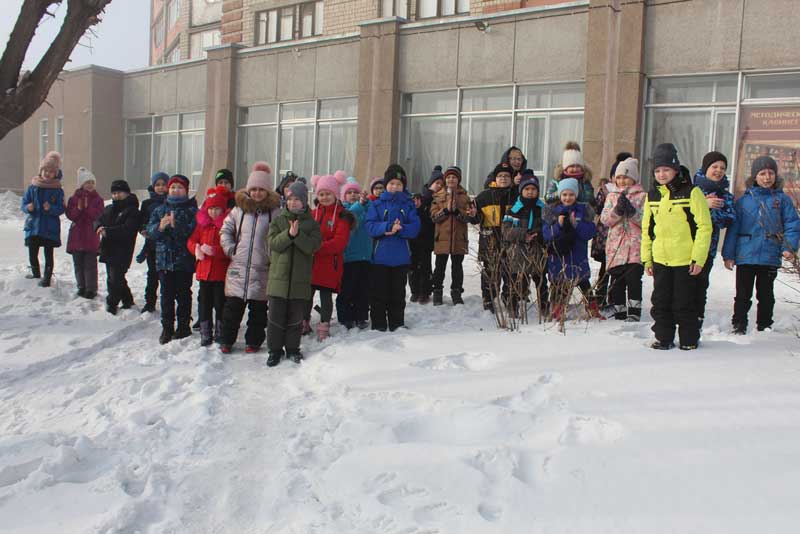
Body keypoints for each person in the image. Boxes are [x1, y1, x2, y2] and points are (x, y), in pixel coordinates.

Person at [641, 143, 712, 350]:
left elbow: (704, 227)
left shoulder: (692, 192)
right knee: (661, 302)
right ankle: (664, 338)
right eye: (657, 170)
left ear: (675, 169)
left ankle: (689, 340)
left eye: (666, 169)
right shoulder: (652, 195)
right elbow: (648, 230)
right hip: (661, 260)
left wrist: (698, 259)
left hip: (686, 261)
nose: (662, 174)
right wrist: (647, 258)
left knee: (684, 303)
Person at [722, 156, 800, 334]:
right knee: (743, 294)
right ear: (754, 177)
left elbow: (793, 225)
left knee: (766, 294)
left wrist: (788, 247)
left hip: (769, 255)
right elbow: (733, 230)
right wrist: (729, 255)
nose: (767, 177)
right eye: (762, 173)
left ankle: (765, 324)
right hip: (745, 255)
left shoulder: (782, 200)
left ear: (776, 176)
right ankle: (739, 323)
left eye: (770, 173)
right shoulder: (743, 202)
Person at [218, 162, 281, 353]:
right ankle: (226, 341)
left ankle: (253, 342)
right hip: (239, 267)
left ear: (268, 191)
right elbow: (226, 230)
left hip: (262, 268)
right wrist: (230, 249)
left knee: (258, 311)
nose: (257, 193)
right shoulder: (239, 211)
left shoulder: (276, 213)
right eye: (253, 189)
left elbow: (280, 236)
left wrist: (272, 255)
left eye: (261, 189)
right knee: (232, 309)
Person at [266, 181, 322, 366]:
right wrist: (289, 234)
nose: (293, 203)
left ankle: (292, 349)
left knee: (295, 319)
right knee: (275, 318)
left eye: (297, 199)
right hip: (278, 280)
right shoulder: (278, 220)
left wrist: (297, 235)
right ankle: (274, 350)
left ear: (304, 201)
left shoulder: (312, 224)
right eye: (290, 199)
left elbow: (312, 247)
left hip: (300, 280)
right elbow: (273, 243)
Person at [365, 164, 421, 331]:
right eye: (391, 183)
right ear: (386, 184)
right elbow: (370, 226)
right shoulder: (376, 205)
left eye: (398, 184)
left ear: (403, 186)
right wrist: (388, 227)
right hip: (379, 258)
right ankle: (379, 324)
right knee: (378, 294)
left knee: (398, 294)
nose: (394, 187)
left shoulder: (408, 205)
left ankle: (397, 323)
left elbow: (415, 227)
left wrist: (401, 228)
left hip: (401, 258)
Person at [147, 174, 198, 344]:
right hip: (164, 261)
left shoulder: (191, 211)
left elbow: (193, 232)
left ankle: (183, 326)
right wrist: (160, 227)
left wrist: (177, 226)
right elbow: (151, 233)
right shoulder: (159, 210)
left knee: (183, 294)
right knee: (166, 295)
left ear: (186, 190)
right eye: (173, 187)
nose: (176, 190)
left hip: (184, 261)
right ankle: (167, 327)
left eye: (180, 187)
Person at [543, 178, 601, 321]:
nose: (567, 198)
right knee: (558, 284)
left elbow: (590, 233)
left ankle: (593, 309)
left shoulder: (584, 210)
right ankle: (557, 311)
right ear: (559, 195)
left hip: (577, 255)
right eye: (564, 194)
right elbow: (546, 234)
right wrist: (558, 225)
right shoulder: (552, 211)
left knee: (584, 283)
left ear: (576, 195)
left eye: (571, 194)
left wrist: (576, 224)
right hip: (559, 257)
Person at [307, 171, 353, 341]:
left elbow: (340, 242)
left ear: (336, 195)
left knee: (325, 296)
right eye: (321, 194)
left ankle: (324, 324)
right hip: (311, 262)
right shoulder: (312, 214)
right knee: (306, 294)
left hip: (329, 263)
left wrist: (317, 246)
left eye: (328, 194)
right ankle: (304, 321)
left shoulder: (342, 216)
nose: (324, 197)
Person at [692, 151, 735, 330]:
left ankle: (696, 322)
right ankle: (678, 321)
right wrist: (703, 204)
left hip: (707, 249)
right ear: (706, 168)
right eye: (714, 167)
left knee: (701, 286)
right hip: (685, 246)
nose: (718, 171)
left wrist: (713, 209)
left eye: (722, 168)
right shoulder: (691, 189)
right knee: (683, 287)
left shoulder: (725, 196)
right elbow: (684, 214)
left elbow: (727, 220)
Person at [600, 157, 646, 321]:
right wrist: (617, 211)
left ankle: (634, 311)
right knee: (617, 280)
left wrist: (632, 212)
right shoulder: (611, 196)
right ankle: (619, 309)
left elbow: (645, 221)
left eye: (626, 176)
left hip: (635, 245)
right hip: (616, 246)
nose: (622, 180)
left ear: (634, 178)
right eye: (619, 177)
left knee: (633, 279)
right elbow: (605, 220)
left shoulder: (642, 196)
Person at [187, 185, 233, 346]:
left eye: (217, 209)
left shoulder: (227, 226)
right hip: (204, 272)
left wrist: (216, 251)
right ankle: (206, 331)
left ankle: (220, 330)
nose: (213, 212)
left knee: (220, 303)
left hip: (220, 273)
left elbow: (231, 248)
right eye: (211, 208)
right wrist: (196, 249)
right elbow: (191, 240)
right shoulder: (202, 225)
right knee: (204, 303)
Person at [471, 162, 517, 312]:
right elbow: (474, 218)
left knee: (510, 272)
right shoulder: (484, 196)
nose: (503, 178)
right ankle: (488, 298)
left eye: (507, 176)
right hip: (490, 240)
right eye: (500, 176)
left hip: (511, 242)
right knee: (490, 272)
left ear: (512, 178)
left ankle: (508, 297)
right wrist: (472, 215)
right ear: (495, 178)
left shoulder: (516, 196)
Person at [502, 171, 548, 319]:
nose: (530, 192)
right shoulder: (513, 210)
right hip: (517, 253)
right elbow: (506, 231)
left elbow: (549, 228)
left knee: (541, 282)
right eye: (527, 189)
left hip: (537, 252)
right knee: (517, 283)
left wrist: (538, 234)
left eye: (533, 189)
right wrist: (523, 234)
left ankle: (544, 307)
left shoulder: (543, 209)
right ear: (521, 190)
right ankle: (513, 307)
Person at [592, 151, 632, 310]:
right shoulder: (606, 190)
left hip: (622, 238)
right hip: (604, 235)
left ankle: (613, 296)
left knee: (616, 269)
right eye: (617, 176)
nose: (620, 180)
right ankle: (600, 296)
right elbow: (597, 209)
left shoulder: (631, 192)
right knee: (604, 268)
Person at [96, 180, 140, 314]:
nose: (116, 196)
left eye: (119, 193)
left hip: (122, 250)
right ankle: (127, 299)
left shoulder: (132, 211)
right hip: (108, 248)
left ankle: (112, 303)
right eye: (114, 193)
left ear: (127, 193)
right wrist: (98, 227)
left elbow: (127, 229)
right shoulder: (109, 209)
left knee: (115, 278)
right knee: (114, 277)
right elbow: (98, 220)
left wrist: (108, 232)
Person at [22, 150, 65, 287]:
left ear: (55, 173)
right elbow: (23, 203)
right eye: (45, 170)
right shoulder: (33, 188)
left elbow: (61, 208)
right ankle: (35, 273)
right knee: (32, 251)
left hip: (49, 227)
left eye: (51, 171)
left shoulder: (58, 190)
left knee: (48, 253)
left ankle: (47, 277)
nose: (47, 173)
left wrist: (50, 208)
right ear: (40, 171)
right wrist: (27, 207)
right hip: (34, 225)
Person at [430, 166, 471, 306]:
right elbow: (434, 217)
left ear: (458, 179)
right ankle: (437, 292)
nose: (451, 179)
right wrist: (446, 211)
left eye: (454, 177)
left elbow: (468, 218)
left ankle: (456, 292)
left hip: (459, 238)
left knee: (457, 268)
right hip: (442, 238)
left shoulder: (465, 196)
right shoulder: (438, 195)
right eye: (448, 177)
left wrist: (458, 213)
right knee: (439, 267)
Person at [337, 177, 372, 329]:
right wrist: (360, 204)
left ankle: (361, 316)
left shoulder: (366, 208)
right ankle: (345, 317)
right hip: (349, 257)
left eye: (355, 192)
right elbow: (350, 218)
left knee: (363, 289)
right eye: (349, 192)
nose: (352, 195)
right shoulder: (344, 211)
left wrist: (364, 204)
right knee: (347, 289)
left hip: (365, 256)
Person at [65, 167, 104, 299]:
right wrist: (79, 208)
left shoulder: (98, 199)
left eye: (92, 182)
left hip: (90, 236)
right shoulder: (74, 198)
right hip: (76, 237)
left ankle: (91, 288)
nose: (90, 185)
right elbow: (71, 215)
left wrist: (87, 208)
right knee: (78, 264)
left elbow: (98, 215)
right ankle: (81, 286)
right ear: (81, 184)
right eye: (87, 182)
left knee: (90, 265)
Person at [408, 166, 442, 304]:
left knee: (425, 267)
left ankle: (424, 292)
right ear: (430, 183)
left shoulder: (441, 199)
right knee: (412, 267)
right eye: (437, 183)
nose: (439, 186)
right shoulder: (421, 198)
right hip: (414, 238)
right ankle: (415, 291)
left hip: (427, 239)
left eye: (441, 184)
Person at [137, 171, 169, 313]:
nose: (161, 187)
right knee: (152, 275)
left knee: (166, 277)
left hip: (168, 245)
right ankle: (149, 302)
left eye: (163, 184)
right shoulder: (147, 203)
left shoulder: (171, 202)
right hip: (152, 245)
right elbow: (142, 221)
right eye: (157, 185)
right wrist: (143, 229)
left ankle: (166, 302)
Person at [545, 142, 595, 206]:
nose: (575, 169)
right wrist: (560, 192)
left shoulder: (584, 180)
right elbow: (548, 198)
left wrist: (575, 191)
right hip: (560, 213)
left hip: (580, 213)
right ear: (565, 167)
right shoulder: (557, 180)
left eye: (578, 166)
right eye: (571, 166)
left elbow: (590, 198)